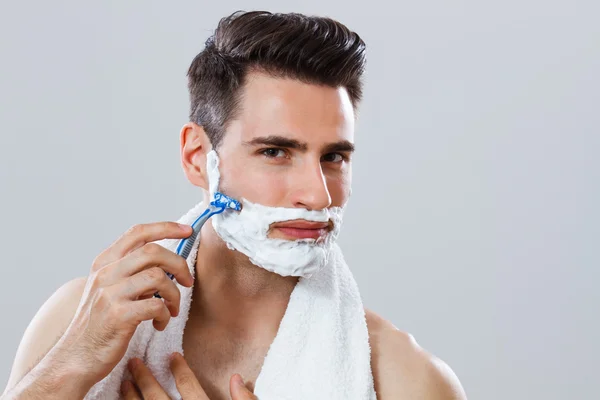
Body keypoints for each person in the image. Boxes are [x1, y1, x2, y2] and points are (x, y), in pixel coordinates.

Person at [2, 10, 467, 400]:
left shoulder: (406, 381)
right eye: (275, 152)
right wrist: (72, 364)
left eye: (334, 157)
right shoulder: (77, 325)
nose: (318, 195)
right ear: (197, 159)